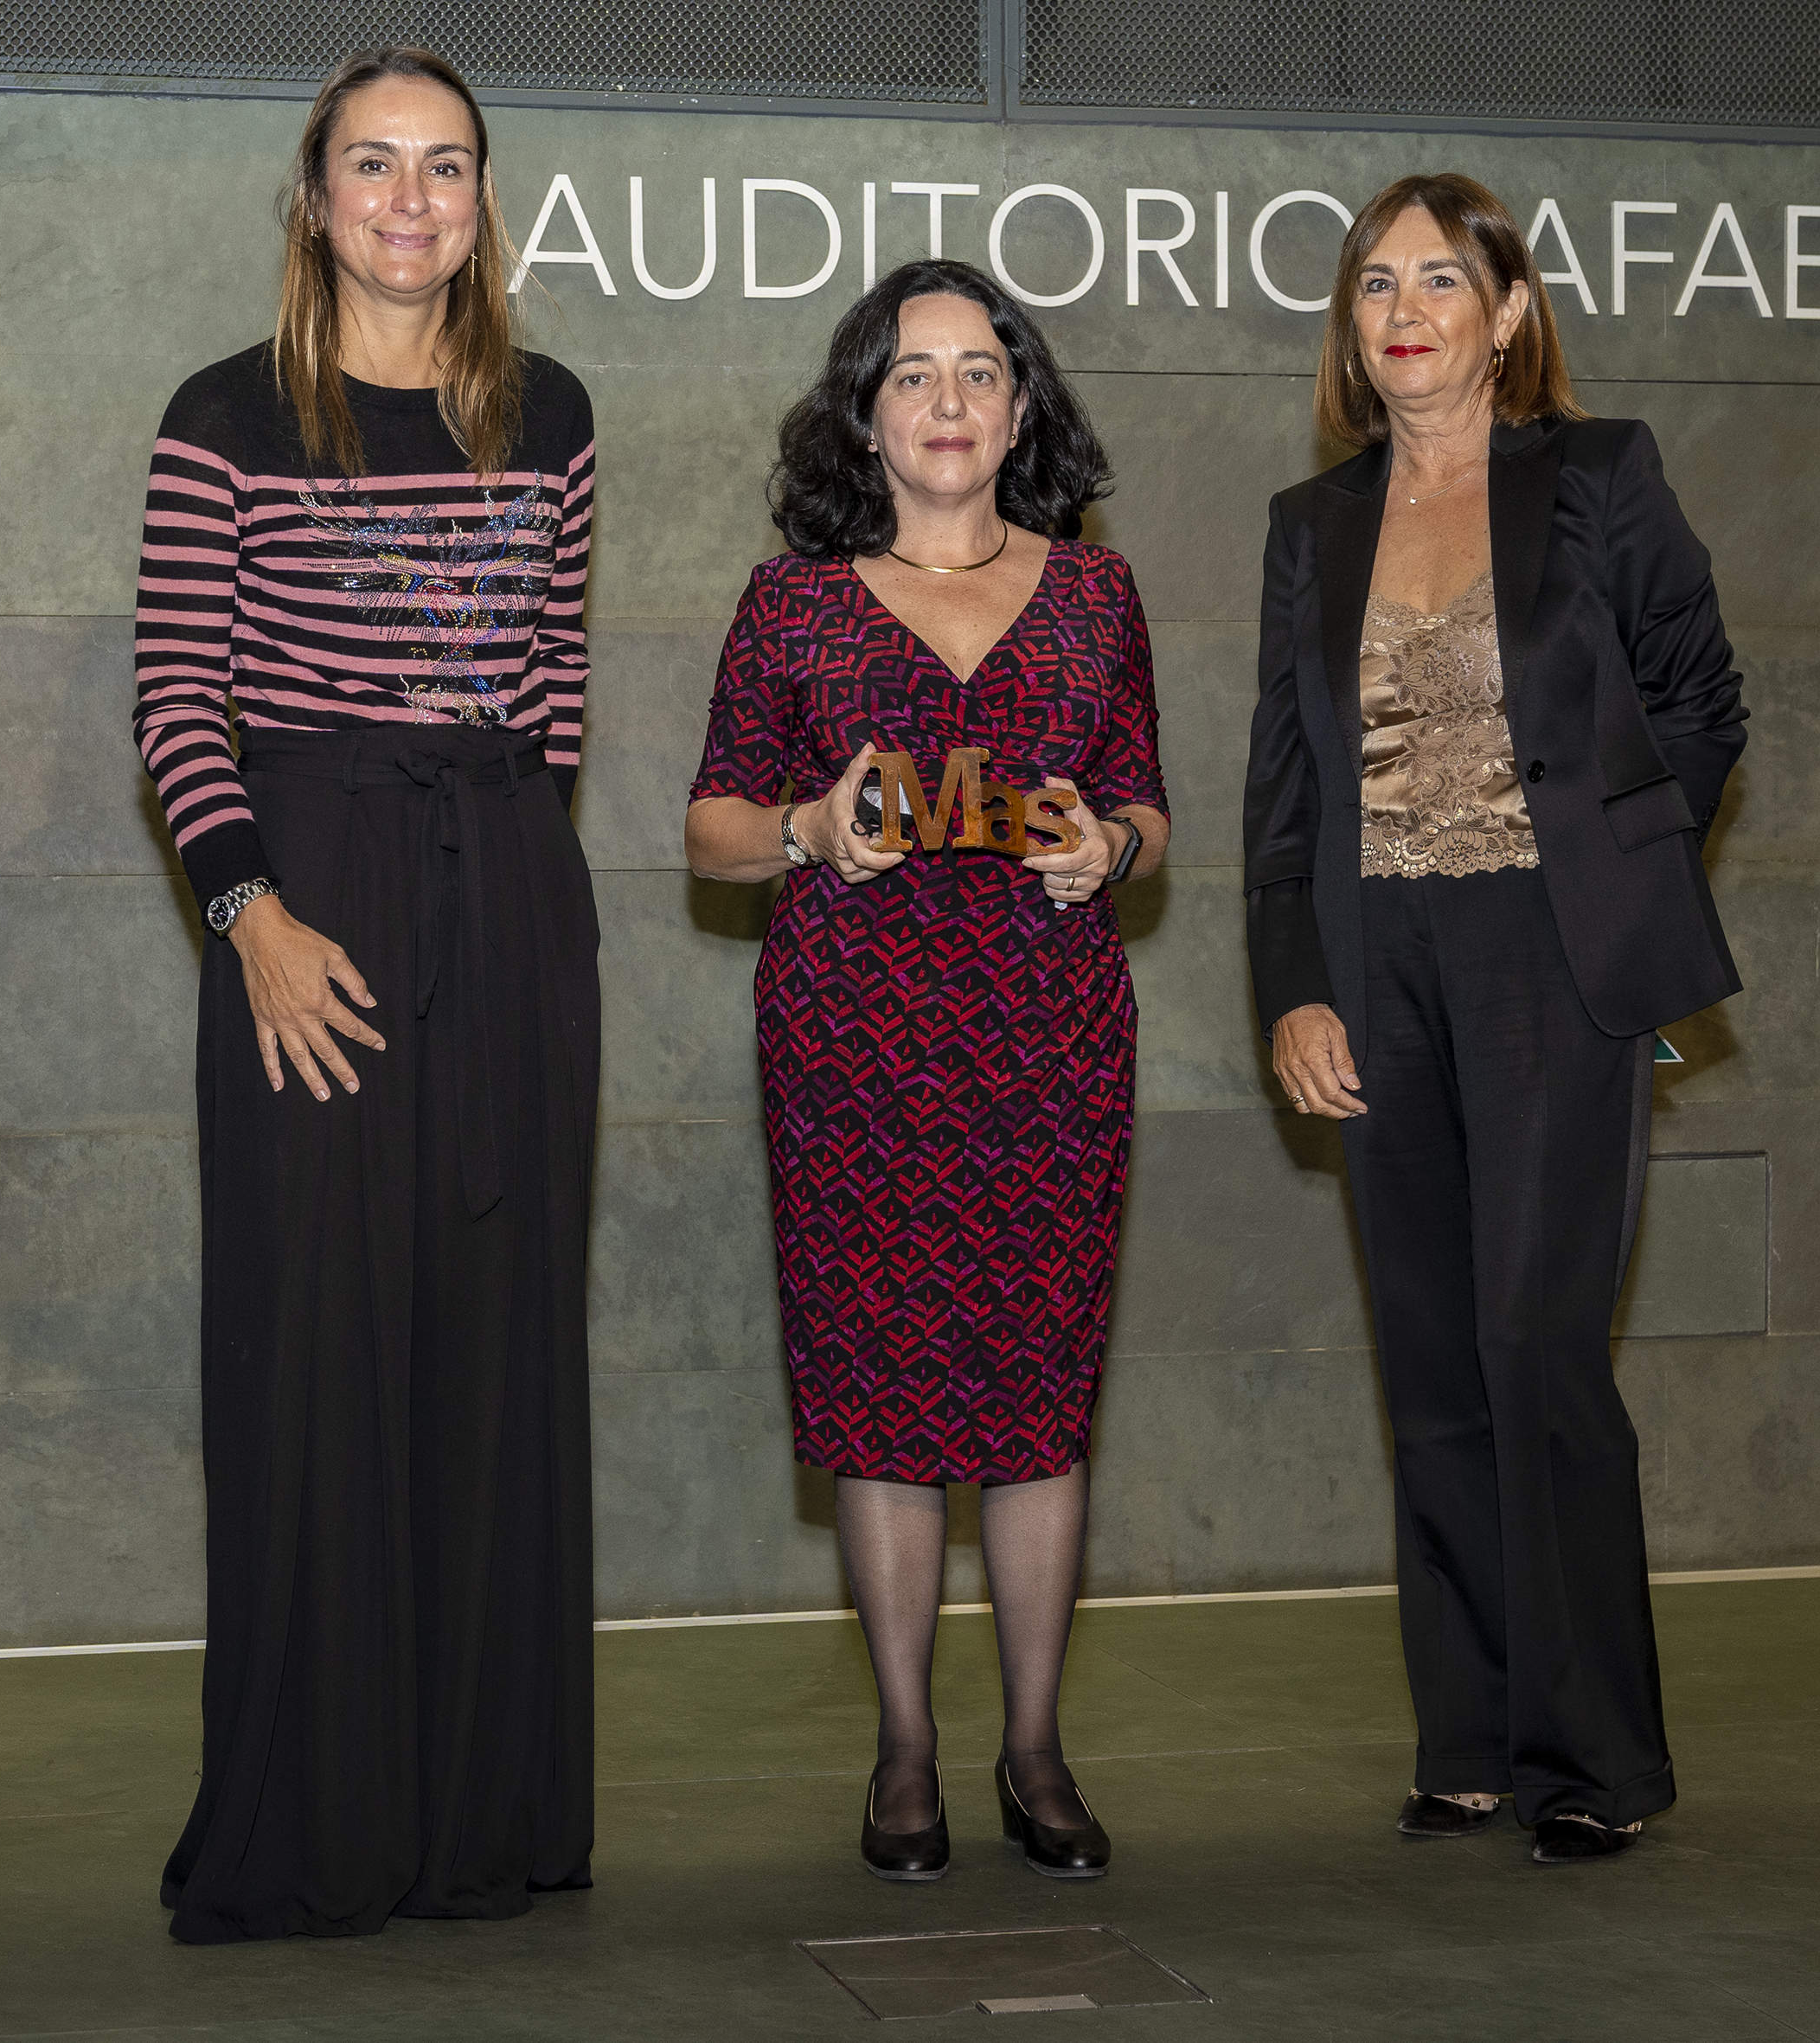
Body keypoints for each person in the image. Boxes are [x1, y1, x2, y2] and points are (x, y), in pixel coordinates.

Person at [129, 47, 599, 1944]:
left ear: (484, 201)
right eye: (373, 166)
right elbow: (176, 694)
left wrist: (511, 915)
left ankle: (485, 1822)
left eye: (447, 168)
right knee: (314, 1357)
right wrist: (249, 909)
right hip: (306, 899)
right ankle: (312, 1829)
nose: (411, 201)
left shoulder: (550, 411)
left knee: (493, 1352)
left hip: (502, 908)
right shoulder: (223, 413)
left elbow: (552, 698)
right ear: (313, 196)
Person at [1241, 173, 1747, 1866]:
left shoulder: (1595, 476)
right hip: (1372, 957)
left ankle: (1591, 1746)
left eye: (1436, 279)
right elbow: (1283, 791)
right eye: (1371, 282)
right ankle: (1466, 1735)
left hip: (1551, 959)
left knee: (1538, 1346)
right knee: (1436, 1365)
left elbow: (1698, 693)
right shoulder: (1308, 526)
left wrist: (1605, 867)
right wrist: (1291, 985)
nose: (1399, 308)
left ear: (1505, 310)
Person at [685, 259, 1166, 1885]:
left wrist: (1108, 845)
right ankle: (903, 1751)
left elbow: (1144, 805)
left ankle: (1033, 1746)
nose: (945, 400)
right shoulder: (789, 602)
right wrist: (812, 826)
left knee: (1037, 1408)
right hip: (850, 1051)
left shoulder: (1096, 596)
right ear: (862, 415)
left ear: (1019, 406)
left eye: (977, 372)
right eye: (910, 374)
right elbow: (709, 827)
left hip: (1046, 1042)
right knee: (880, 1412)